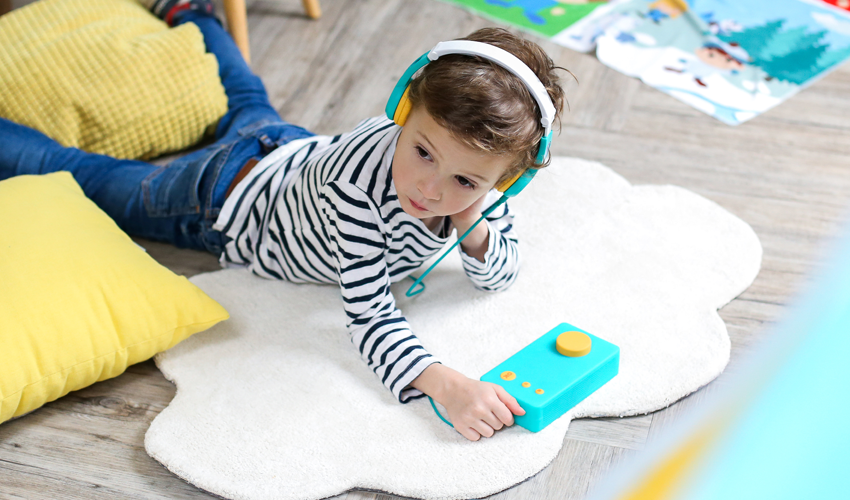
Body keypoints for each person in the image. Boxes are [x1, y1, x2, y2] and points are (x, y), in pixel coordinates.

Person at [0, 0, 567, 441]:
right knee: (89, 177)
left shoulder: (475, 180)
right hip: (223, 197)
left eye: (464, 181)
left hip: (285, 147)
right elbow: (369, 315)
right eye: (422, 152)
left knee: (248, 97)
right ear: (402, 108)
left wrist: (473, 221)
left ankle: (190, 12)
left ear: (507, 181)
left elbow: (501, 273)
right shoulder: (358, 188)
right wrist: (447, 384)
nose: (429, 189)